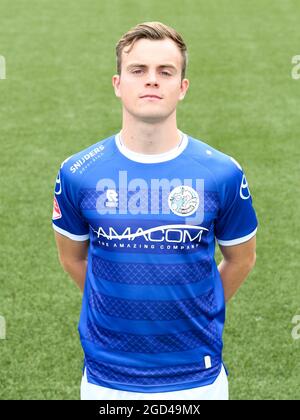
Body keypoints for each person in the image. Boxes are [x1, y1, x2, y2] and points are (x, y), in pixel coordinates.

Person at [52, 21, 258, 400]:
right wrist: (118, 302)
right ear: (118, 84)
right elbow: (72, 259)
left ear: (182, 88)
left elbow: (241, 259)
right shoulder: (78, 173)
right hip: (106, 379)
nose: (152, 81)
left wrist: (197, 310)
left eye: (165, 72)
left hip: (198, 378)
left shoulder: (222, 172)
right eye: (138, 70)